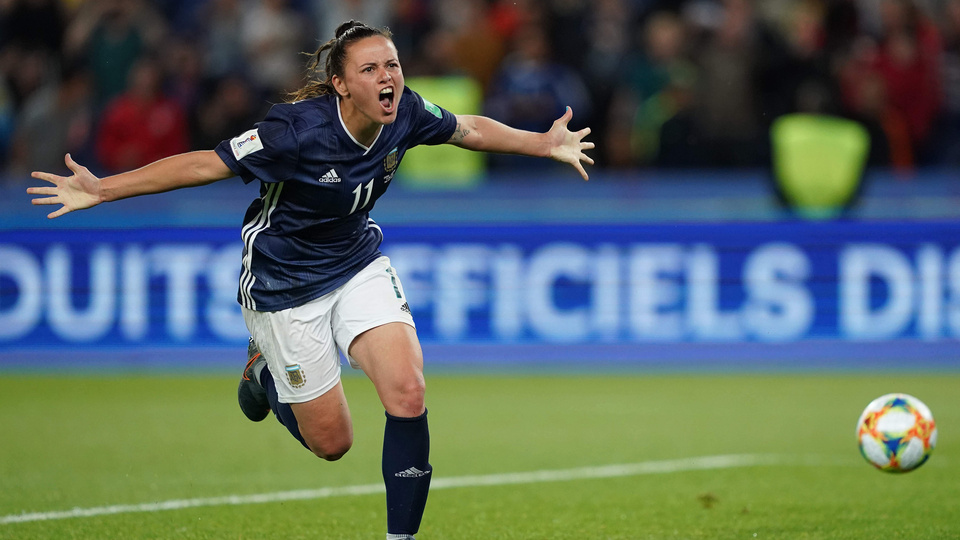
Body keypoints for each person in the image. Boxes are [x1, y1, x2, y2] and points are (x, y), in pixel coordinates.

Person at [27, 20, 594, 540]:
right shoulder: (294, 131)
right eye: (370, 69)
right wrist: (103, 189)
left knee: (408, 390)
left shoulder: (407, 113)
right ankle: (264, 373)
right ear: (340, 85)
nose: (387, 77)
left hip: (356, 262)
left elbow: (467, 128)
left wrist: (543, 143)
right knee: (332, 443)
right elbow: (204, 163)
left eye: (392, 65)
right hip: (283, 284)